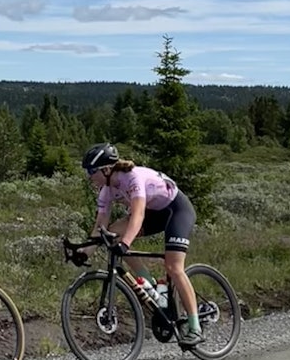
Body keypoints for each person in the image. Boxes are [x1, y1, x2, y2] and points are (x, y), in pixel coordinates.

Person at [81, 142, 204, 345]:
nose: (89, 176)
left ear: (106, 169)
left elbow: (138, 214)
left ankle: (195, 327)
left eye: (92, 171)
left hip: (176, 210)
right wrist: (84, 252)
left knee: (174, 266)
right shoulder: (106, 191)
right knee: (112, 233)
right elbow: (100, 228)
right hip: (153, 213)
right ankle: (153, 288)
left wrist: (126, 244)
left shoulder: (132, 177)